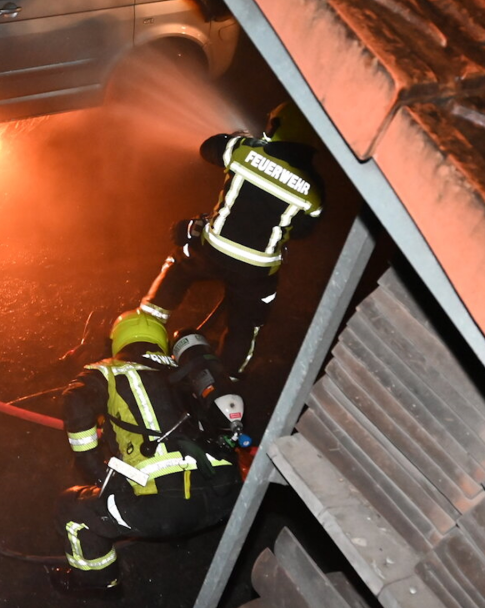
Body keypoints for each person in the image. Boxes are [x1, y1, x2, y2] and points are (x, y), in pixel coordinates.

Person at [52, 310, 242, 598]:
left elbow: (75, 401)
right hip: (227, 497)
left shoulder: (108, 370)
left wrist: (95, 469)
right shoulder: (191, 373)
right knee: (183, 497)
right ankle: (182, 532)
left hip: (164, 508)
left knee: (71, 510)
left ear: (118, 341)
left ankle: (98, 584)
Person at [143, 101, 324, 377]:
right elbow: (302, 231)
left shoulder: (244, 150)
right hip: (258, 270)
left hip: (213, 251)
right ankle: (227, 378)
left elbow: (208, 148)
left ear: (276, 126)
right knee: (246, 325)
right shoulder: (315, 189)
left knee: (180, 264)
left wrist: (237, 138)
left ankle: (145, 331)